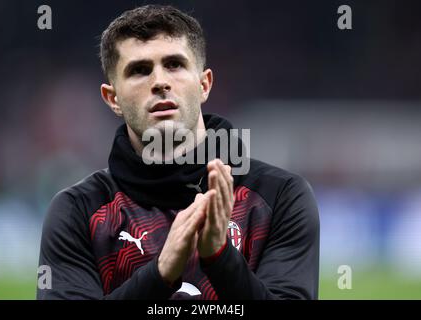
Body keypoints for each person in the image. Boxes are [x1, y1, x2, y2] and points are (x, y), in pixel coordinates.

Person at [36, 4, 319, 300]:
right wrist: (159, 275)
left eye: (174, 64)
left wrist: (221, 258)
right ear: (112, 98)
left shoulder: (280, 197)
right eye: (139, 70)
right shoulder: (78, 211)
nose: (159, 82)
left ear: (204, 84)